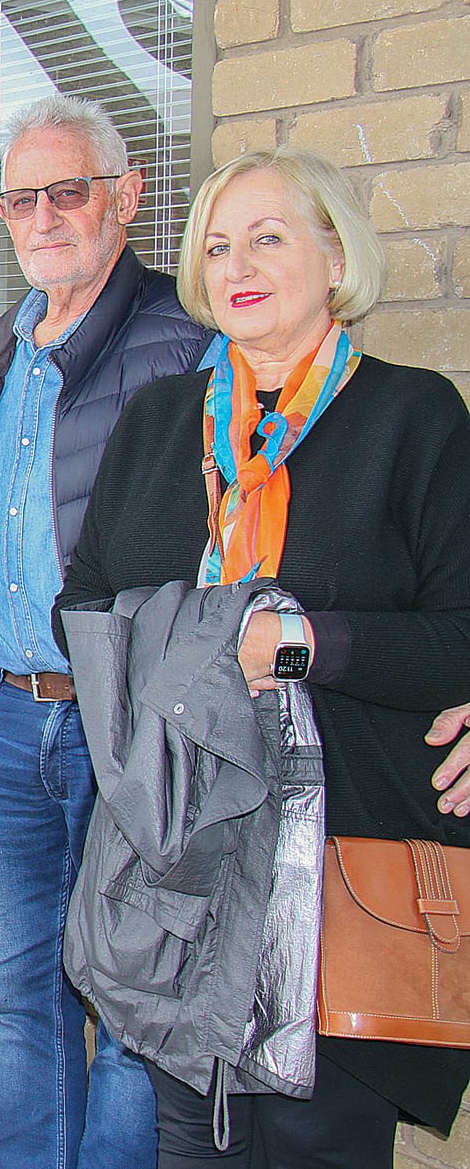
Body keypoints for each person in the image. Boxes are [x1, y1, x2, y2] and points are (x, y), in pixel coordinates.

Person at [56, 147, 470, 1166]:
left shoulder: (412, 419)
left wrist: (295, 644)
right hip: (178, 875)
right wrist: (193, 647)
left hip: (336, 881)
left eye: (267, 236)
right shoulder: (160, 421)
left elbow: (455, 638)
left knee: (314, 1139)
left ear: (333, 256)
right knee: (188, 1141)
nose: (235, 262)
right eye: (215, 245)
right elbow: (89, 608)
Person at [0, 95, 207, 1166]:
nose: (42, 215)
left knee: (129, 1014)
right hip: (9, 721)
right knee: (16, 999)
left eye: (67, 191)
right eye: (20, 197)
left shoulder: (180, 349)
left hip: (125, 732)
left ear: (125, 195)